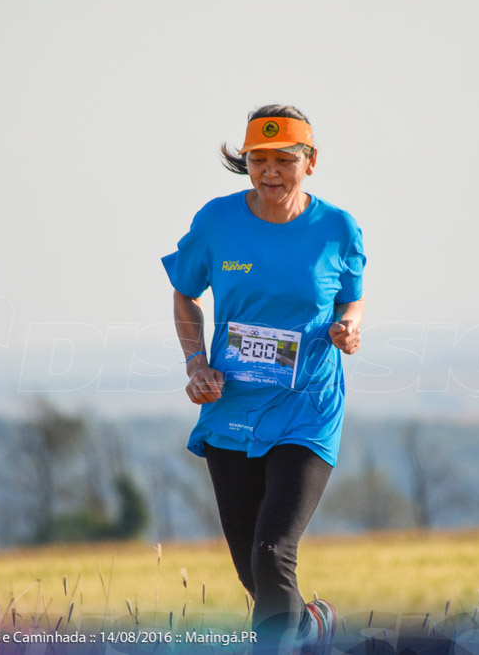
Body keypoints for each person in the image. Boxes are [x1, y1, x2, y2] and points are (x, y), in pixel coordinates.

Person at [162, 104, 365, 653]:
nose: (269, 171)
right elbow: (184, 292)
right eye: (258, 160)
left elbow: (352, 298)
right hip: (233, 408)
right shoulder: (217, 222)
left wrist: (348, 326)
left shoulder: (337, 229)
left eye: (283, 159)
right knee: (255, 571)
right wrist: (196, 363)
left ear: (311, 161)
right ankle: (315, 627)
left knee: (273, 552)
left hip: (308, 407)